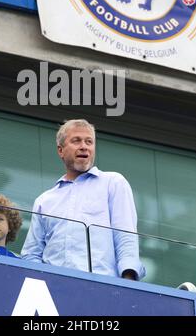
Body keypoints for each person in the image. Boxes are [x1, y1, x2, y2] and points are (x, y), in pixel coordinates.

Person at [21, 119, 146, 280]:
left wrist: (128, 281)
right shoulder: (44, 201)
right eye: (76, 141)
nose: (84, 146)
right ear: (61, 150)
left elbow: (125, 236)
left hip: (103, 286)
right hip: (53, 291)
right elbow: (31, 254)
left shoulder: (113, 183)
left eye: (89, 142)